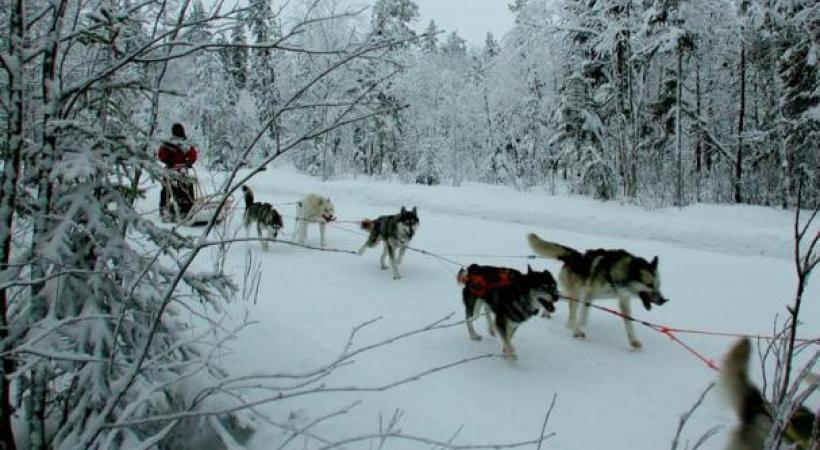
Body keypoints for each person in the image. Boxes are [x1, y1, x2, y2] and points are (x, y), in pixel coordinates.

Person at [158, 123, 198, 222]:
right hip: (171, 170)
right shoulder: (169, 143)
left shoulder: (185, 143)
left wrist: (189, 161)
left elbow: (192, 154)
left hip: (182, 170)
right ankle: (164, 208)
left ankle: (187, 207)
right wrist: (168, 161)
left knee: (187, 187)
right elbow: (161, 154)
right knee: (167, 189)